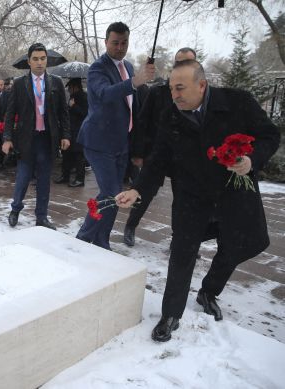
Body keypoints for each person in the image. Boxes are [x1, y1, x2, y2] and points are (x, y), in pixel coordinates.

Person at [116, 60, 280, 342]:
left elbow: (270, 135)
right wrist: (137, 189)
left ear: (202, 85)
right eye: (171, 88)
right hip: (193, 196)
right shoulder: (171, 114)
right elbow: (157, 161)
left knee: (243, 244)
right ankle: (171, 314)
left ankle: (208, 291)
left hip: (234, 195)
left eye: (180, 88)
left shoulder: (238, 102)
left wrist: (251, 160)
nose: (174, 94)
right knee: (182, 251)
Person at [75, 22, 155, 250]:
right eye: (115, 43)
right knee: (111, 193)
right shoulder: (97, 68)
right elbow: (104, 94)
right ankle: (82, 240)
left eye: (124, 43)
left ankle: (102, 241)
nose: (120, 47)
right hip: (98, 142)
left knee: (115, 196)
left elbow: (134, 106)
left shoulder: (128, 66)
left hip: (122, 143)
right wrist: (134, 82)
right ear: (106, 42)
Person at [123, 47, 197, 247]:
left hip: (184, 157)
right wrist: (138, 153)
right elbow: (142, 122)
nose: (183, 66)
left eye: (188, 62)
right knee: (144, 192)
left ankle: (179, 238)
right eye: (179, 62)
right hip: (156, 153)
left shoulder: (200, 93)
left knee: (183, 200)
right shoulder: (158, 92)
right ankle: (130, 226)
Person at [2, 42, 71, 230]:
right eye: (35, 59)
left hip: (47, 139)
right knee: (23, 177)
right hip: (26, 139)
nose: (40, 62)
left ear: (46, 60)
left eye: (43, 59)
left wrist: (65, 135)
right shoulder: (19, 84)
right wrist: (7, 138)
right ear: (29, 61)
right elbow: (10, 113)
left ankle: (41, 216)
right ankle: (15, 209)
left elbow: (64, 113)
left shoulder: (55, 82)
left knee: (44, 180)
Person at [54, 78, 88, 187]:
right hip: (70, 130)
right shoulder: (73, 97)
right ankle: (65, 175)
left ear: (75, 87)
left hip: (79, 131)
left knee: (79, 156)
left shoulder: (84, 97)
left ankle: (79, 179)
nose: (68, 90)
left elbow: (85, 113)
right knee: (67, 154)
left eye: (70, 87)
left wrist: (74, 106)